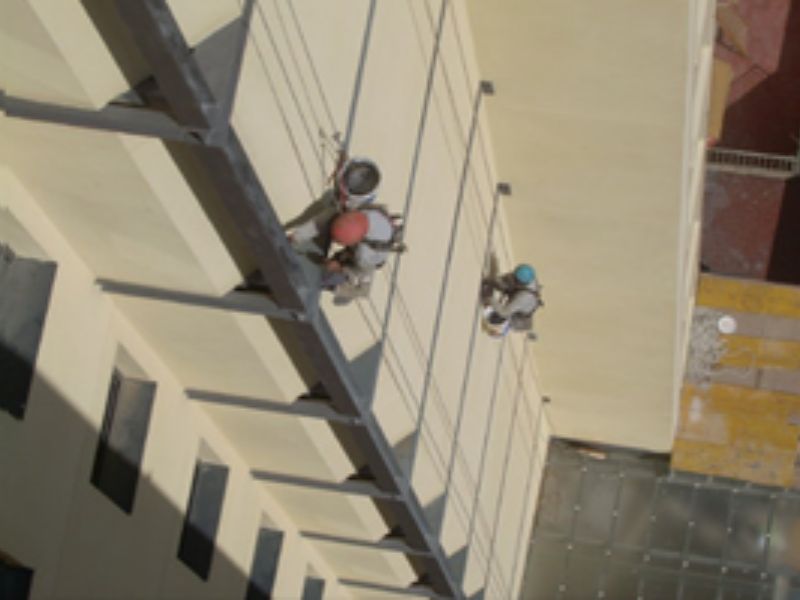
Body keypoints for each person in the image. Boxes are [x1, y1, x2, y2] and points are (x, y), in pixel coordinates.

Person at [482, 263, 542, 335]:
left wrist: (489, 299)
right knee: (506, 283)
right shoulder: (526, 277)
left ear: (520, 282)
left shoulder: (523, 297)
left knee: (495, 319)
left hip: (517, 318)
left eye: (514, 278)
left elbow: (504, 312)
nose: (512, 276)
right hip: (517, 295)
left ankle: (502, 329)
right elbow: (507, 279)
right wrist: (493, 281)